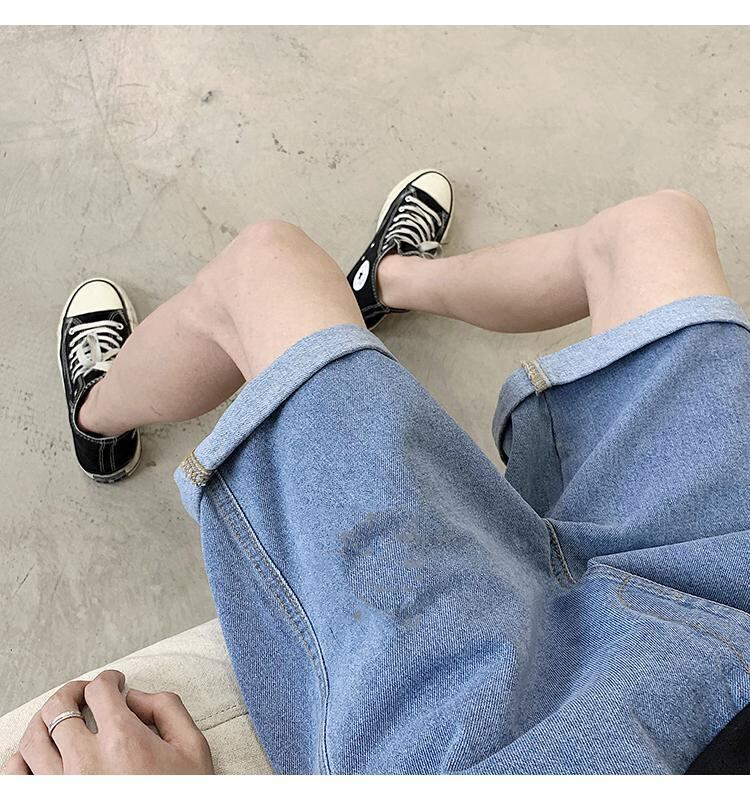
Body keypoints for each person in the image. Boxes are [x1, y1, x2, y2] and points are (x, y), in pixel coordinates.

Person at [4, 170, 750, 775]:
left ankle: (98, 417)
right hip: (730, 597)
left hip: (513, 753)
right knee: (656, 227)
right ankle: (388, 279)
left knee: (266, 269)